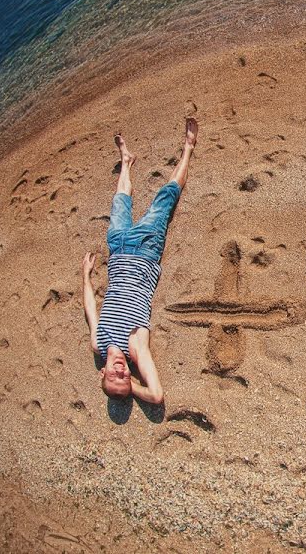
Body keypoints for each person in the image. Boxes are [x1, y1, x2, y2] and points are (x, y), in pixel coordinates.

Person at [81, 117, 198, 403]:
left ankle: (126, 160)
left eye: (112, 377)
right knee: (166, 197)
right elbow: (156, 396)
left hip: (117, 249)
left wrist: (85, 276)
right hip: (146, 250)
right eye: (124, 379)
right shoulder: (136, 348)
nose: (120, 373)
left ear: (102, 372)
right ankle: (188, 147)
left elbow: (89, 309)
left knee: (119, 200)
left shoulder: (99, 343)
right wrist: (134, 387)